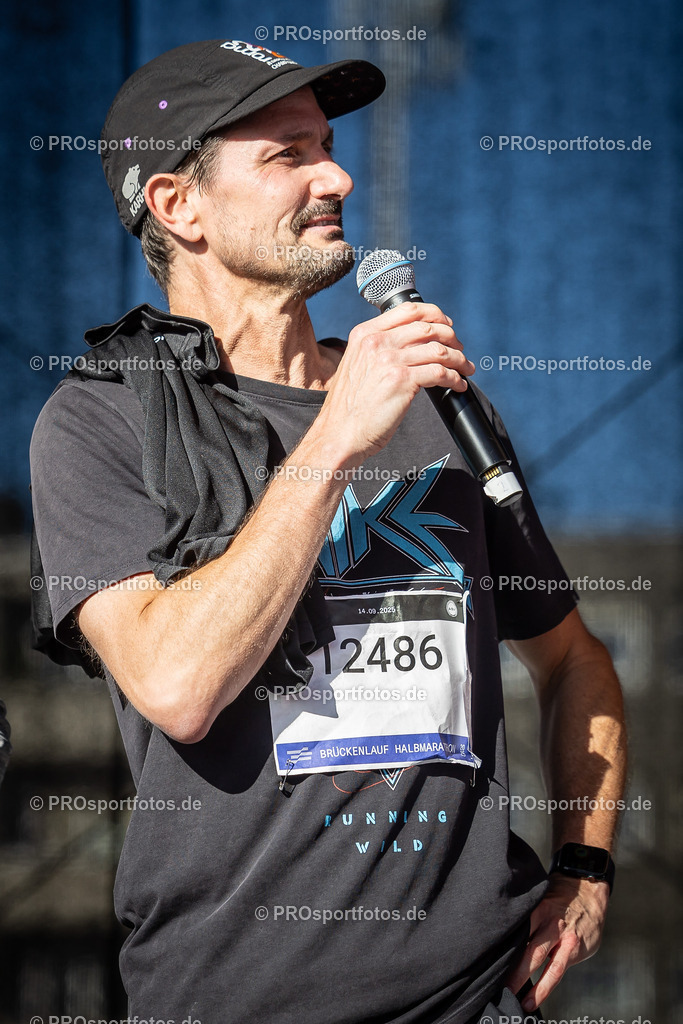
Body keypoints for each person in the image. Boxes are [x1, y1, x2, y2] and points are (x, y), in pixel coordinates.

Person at [30, 39, 627, 1024]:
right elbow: (176, 686)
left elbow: (574, 662)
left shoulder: (433, 408)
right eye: (288, 155)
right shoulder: (104, 420)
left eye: (329, 147)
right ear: (178, 205)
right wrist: (338, 436)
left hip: (475, 998)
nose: (336, 179)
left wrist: (583, 866)